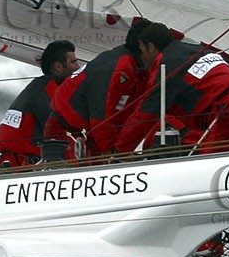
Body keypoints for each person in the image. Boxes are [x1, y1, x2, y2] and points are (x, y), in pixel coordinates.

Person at [111, 23, 229, 154]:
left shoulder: (165, 65)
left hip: (227, 113)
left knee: (209, 170)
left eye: (142, 50)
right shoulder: (197, 50)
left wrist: (120, 152)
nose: (142, 57)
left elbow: (146, 114)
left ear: (151, 47)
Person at [50, 18, 153, 157]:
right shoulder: (117, 68)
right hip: (70, 129)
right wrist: (112, 153)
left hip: (95, 128)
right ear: (145, 46)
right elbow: (100, 114)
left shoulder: (140, 66)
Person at [0, 40, 78, 168]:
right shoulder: (48, 89)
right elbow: (59, 128)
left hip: (13, 163)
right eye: (73, 62)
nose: (78, 67)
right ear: (58, 67)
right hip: (23, 166)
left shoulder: (39, 86)